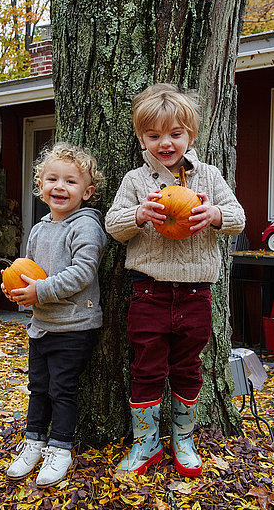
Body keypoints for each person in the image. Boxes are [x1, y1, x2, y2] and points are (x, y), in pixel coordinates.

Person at [105, 83, 245, 477]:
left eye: (174, 134)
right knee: (146, 367)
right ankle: (145, 444)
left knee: (188, 366)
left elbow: (238, 218)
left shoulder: (209, 177)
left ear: (191, 135)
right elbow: (112, 225)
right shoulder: (137, 181)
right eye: (154, 136)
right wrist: (138, 216)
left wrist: (214, 215)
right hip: (148, 292)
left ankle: (184, 439)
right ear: (142, 138)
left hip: (196, 294)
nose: (165, 143)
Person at [3, 142, 107, 487]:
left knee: (63, 389)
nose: (59, 187)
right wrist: (18, 292)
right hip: (41, 324)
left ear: (87, 192)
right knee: (38, 387)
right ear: (40, 185)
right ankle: (33, 442)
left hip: (75, 324)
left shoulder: (87, 226)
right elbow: (27, 271)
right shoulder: (39, 228)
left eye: (70, 182)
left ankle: (60, 448)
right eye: (52, 179)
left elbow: (83, 273)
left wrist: (39, 291)